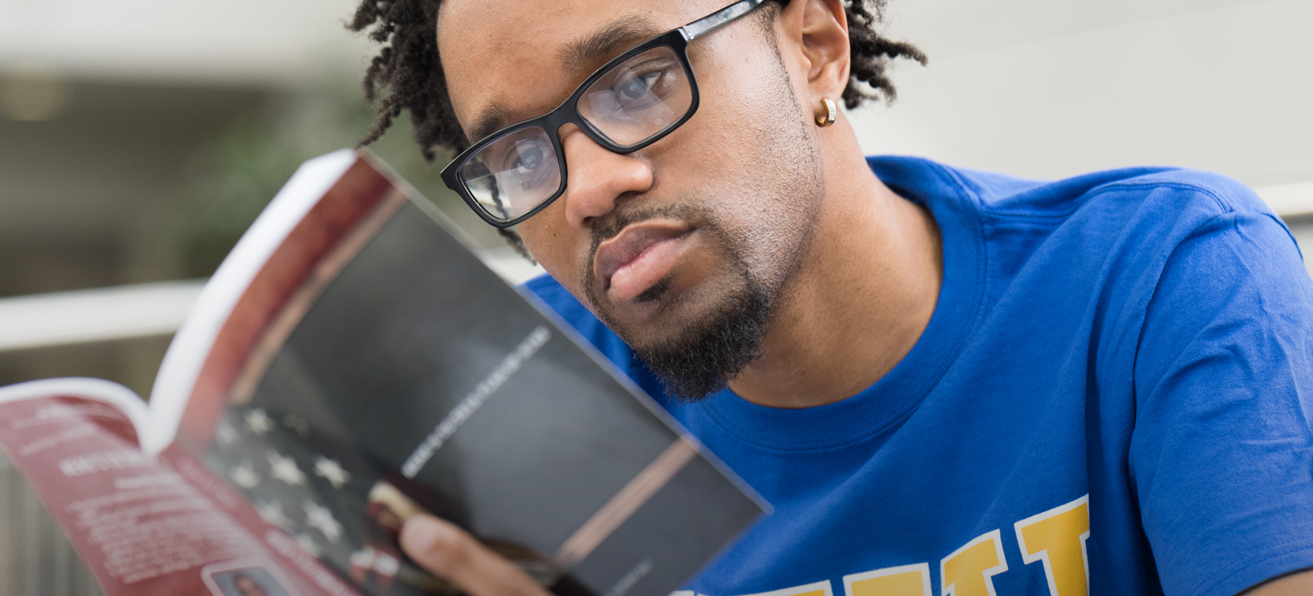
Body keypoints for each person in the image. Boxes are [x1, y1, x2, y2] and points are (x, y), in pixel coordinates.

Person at [347, 0, 1313, 594]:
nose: (588, 188)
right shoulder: (503, 411)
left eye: (638, 81)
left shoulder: (1159, 278)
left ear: (813, 44)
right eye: (517, 155)